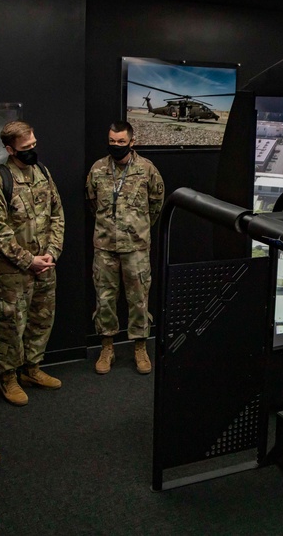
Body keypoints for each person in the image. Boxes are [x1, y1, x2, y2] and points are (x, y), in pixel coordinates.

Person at [0, 120, 65, 406]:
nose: (32, 151)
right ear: (9, 149)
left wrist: (52, 251)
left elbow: (57, 214)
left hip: (45, 267)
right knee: (11, 327)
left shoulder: (42, 172)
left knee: (41, 320)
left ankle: (32, 369)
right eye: (26, 148)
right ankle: (8, 377)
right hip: (11, 275)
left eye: (34, 145)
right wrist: (29, 261)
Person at [86, 121, 164, 375]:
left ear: (132, 142)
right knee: (105, 300)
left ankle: (140, 347)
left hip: (136, 248)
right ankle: (107, 347)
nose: (116, 145)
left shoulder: (147, 169)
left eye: (121, 141)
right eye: (112, 141)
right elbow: (91, 202)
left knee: (139, 299)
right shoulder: (97, 169)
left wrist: (137, 228)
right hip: (105, 247)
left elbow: (156, 203)